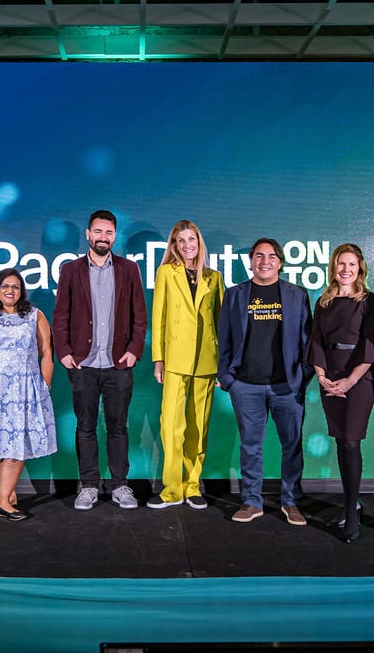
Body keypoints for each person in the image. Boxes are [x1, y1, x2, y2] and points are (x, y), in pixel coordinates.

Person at [52, 210, 148, 511]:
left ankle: (120, 485)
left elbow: (140, 316)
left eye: (108, 233)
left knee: (118, 427)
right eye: (98, 232)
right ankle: (89, 486)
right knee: (85, 426)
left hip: (119, 363)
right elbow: (61, 316)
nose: (103, 237)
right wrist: (65, 352)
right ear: (88, 234)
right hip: (83, 363)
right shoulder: (71, 270)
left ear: (114, 236)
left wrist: (133, 350)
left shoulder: (129, 269)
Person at [217, 238, 312, 525]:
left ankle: (291, 501)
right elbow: (224, 338)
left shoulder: (297, 294)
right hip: (246, 385)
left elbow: (307, 341)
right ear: (251, 261)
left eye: (271, 256)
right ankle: (251, 501)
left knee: (291, 445)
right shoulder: (234, 295)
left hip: (287, 385)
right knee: (250, 446)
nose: (265, 261)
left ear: (280, 262)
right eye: (259, 256)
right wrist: (227, 377)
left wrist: (303, 376)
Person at [308, 243, 374, 542]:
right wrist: (323, 376)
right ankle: (351, 502)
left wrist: (350, 381)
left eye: (352, 264)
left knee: (352, 442)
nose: (346, 270)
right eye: (341, 264)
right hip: (330, 377)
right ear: (333, 267)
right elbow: (316, 340)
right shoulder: (323, 302)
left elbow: (372, 345)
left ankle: (353, 513)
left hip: (358, 378)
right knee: (341, 442)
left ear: (361, 268)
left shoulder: (371, 302)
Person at [0, 268, 56, 521]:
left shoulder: (35, 315)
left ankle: (3, 500)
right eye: (5, 286)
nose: (10, 291)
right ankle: (7, 496)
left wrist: (44, 386)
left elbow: (47, 352)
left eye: (16, 287)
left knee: (17, 445)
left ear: (21, 291)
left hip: (26, 390)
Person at [148, 219, 224, 510]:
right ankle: (172, 490)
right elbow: (159, 317)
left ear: (199, 243)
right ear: (174, 245)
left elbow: (222, 323)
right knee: (170, 425)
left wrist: (223, 363)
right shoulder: (167, 272)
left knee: (198, 426)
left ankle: (193, 487)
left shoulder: (214, 277)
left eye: (191, 239)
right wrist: (159, 359)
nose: (187, 245)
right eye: (181, 241)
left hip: (206, 361)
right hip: (175, 359)